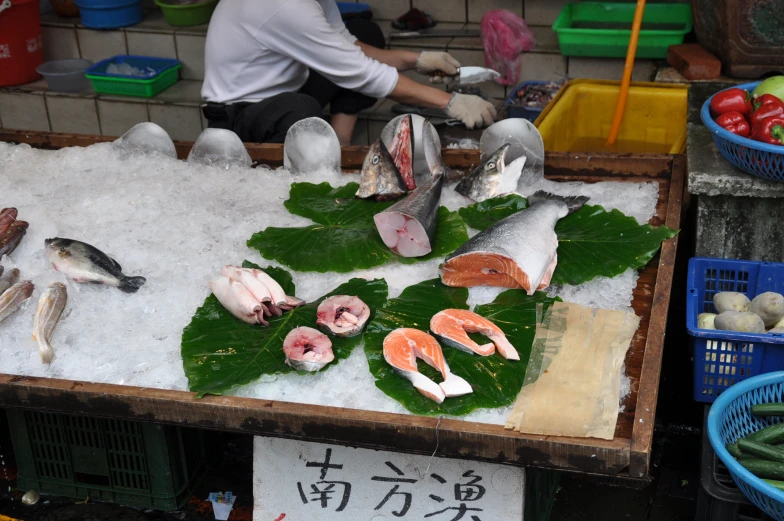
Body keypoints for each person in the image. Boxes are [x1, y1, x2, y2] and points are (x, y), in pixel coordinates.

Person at [201, 0, 497, 145]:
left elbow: (347, 44)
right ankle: (310, 173)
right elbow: (360, 72)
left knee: (364, 31)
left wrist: (417, 59)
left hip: (282, 90)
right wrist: (449, 102)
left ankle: (339, 145)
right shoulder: (284, 5)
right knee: (302, 111)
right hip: (238, 115)